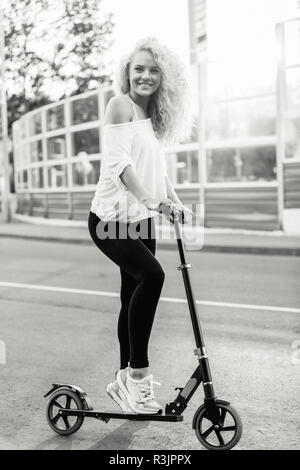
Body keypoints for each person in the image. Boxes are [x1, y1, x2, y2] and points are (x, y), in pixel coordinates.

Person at [88, 36, 194, 414]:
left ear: (164, 77)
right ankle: (138, 377)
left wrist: (174, 203)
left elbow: (157, 171)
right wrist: (151, 200)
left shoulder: (150, 120)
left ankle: (123, 380)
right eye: (138, 69)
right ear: (127, 73)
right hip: (111, 220)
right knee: (153, 277)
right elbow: (120, 166)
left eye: (153, 70)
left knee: (129, 295)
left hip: (142, 221)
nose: (145, 76)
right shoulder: (120, 106)